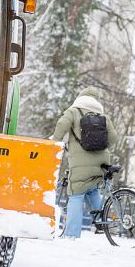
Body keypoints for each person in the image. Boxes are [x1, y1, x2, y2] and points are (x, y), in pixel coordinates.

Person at [51, 86, 118, 239]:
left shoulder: (73, 111)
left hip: (80, 164)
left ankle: (71, 234)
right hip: (102, 161)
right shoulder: (103, 116)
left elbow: (62, 125)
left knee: (76, 194)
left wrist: (54, 141)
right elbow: (113, 138)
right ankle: (102, 221)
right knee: (92, 189)